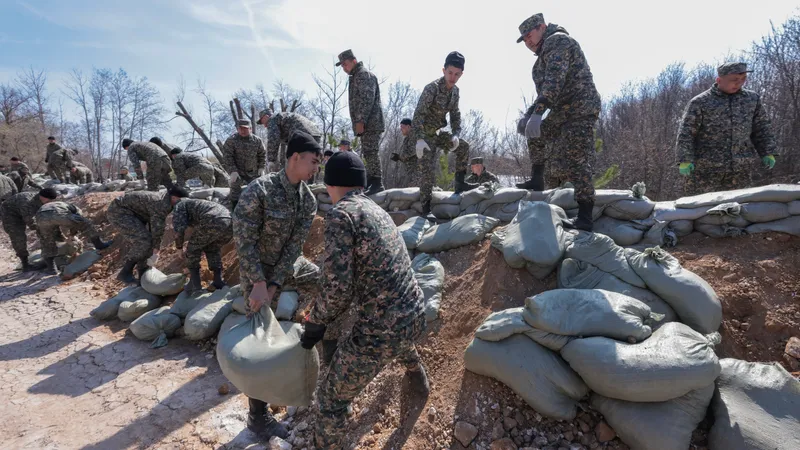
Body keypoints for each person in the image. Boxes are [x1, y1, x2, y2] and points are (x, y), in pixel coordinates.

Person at [301, 151, 430, 449]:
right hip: (414, 314)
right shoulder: (376, 209)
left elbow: (337, 288)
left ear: (331, 184)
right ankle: (418, 377)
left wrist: (315, 322)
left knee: (329, 401)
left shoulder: (341, 214)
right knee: (396, 327)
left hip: (384, 331)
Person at [232, 130, 322, 441]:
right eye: (312, 162)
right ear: (294, 157)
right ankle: (257, 416)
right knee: (259, 335)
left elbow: (294, 248)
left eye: (318, 164)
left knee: (323, 282)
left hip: (278, 271)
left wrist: (274, 283)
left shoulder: (307, 200)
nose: (315, 169)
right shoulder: (261, 189)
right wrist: (258, 283)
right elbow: (244, 240)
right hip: (253, 270)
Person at [515, 12, 601, 232]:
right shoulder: (543, 55)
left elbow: (554, 80)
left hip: (581, 106)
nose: (528, 42)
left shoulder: (558, 41)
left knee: (577, 157)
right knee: (534, 133)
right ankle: (537, 179)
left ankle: (585, 217)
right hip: (562, 110)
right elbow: (545, 92)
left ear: (542, 27)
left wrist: (539, 111)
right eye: (523, 39)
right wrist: (529, 115)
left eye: (529, 35)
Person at [676, 62, 777, 195]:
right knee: (702, 209)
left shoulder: (752, 100)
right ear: (719, 80)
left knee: (738, 210)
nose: (739, 83)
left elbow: (762, 128)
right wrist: (685, 159)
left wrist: (767, 151)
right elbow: (686, 133)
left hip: (741, 168)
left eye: (743, 79)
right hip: (706, 170)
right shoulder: (700, 102)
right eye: (734, 80)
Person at [412, 52, 471, 210]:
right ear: (443, 70)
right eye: (450, 72)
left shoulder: (455, 92)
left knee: (464, 147)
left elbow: (455, 114)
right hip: (423, 135)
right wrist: (418, 138)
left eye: (457, 74)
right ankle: (425, 207)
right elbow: (418, 115)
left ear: (461, 74)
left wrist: (456, 134)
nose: (453, 77)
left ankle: (459, 185)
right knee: (428, 169)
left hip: (437, 134)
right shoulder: (432, 89)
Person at [107, 187, 189, 283]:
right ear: (174, 198)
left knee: (149, 241)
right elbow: (157, 227)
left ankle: (143, 273)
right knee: (144, 241)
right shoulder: (161, 204)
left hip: (134, 213)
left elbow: (154, 225)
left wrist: (155, 246)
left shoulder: (167, 200)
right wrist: (157, 249)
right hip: (119, 212)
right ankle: (125, 273)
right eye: (181, 200)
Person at [337, 49, 386, 195]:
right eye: (342, 66)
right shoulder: (356, 76)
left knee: (371, 151)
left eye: (345, 64)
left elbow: (366, 99)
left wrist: (360, 120)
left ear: (354, 60)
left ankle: (378, 182)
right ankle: (372, 179)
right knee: (367, 152)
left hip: (371, 122)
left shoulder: (363, 75)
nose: (344, 68)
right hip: (367, 123)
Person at [35, 199, 112, 274]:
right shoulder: (70, 206)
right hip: (57, 214)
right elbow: (78, 219)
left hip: (40, 217)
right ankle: (99, 245)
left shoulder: (49, 205)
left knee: (47, 241)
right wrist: (72, 234)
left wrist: (64, 238)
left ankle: (51, 269)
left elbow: (56, 231)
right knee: (86, 224)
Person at [172, 198, 232, 293]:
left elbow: (179, 230)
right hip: (229, 223)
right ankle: (218, 281)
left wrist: (179, 247)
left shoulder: (179, 207)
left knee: (192, 249)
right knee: (212, 248)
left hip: (212, 219)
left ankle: (194, 283)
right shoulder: (198, 203)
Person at [1, 189, 55, 271]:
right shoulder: (27, 202)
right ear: (42, 197)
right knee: (18, 237)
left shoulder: (42, 200)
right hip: (9, 213)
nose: (50, 202)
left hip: (21, 210)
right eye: (49, 200)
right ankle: (25, 264)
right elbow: (32, 223)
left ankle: (49, 260)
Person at [222, 119, 266, 210]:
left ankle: (257, 211)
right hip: (237, 172)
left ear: (250, 129)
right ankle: (235, 211)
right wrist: (232, 171)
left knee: (258, 191)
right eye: (240, 128)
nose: (242, 131)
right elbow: (227, 156)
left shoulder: (257, 141)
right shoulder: (231, 140)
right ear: (237, 129)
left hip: (253, 172)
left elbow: (262, 154)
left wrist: (261, 167)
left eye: (245, 128)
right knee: (235, 192)